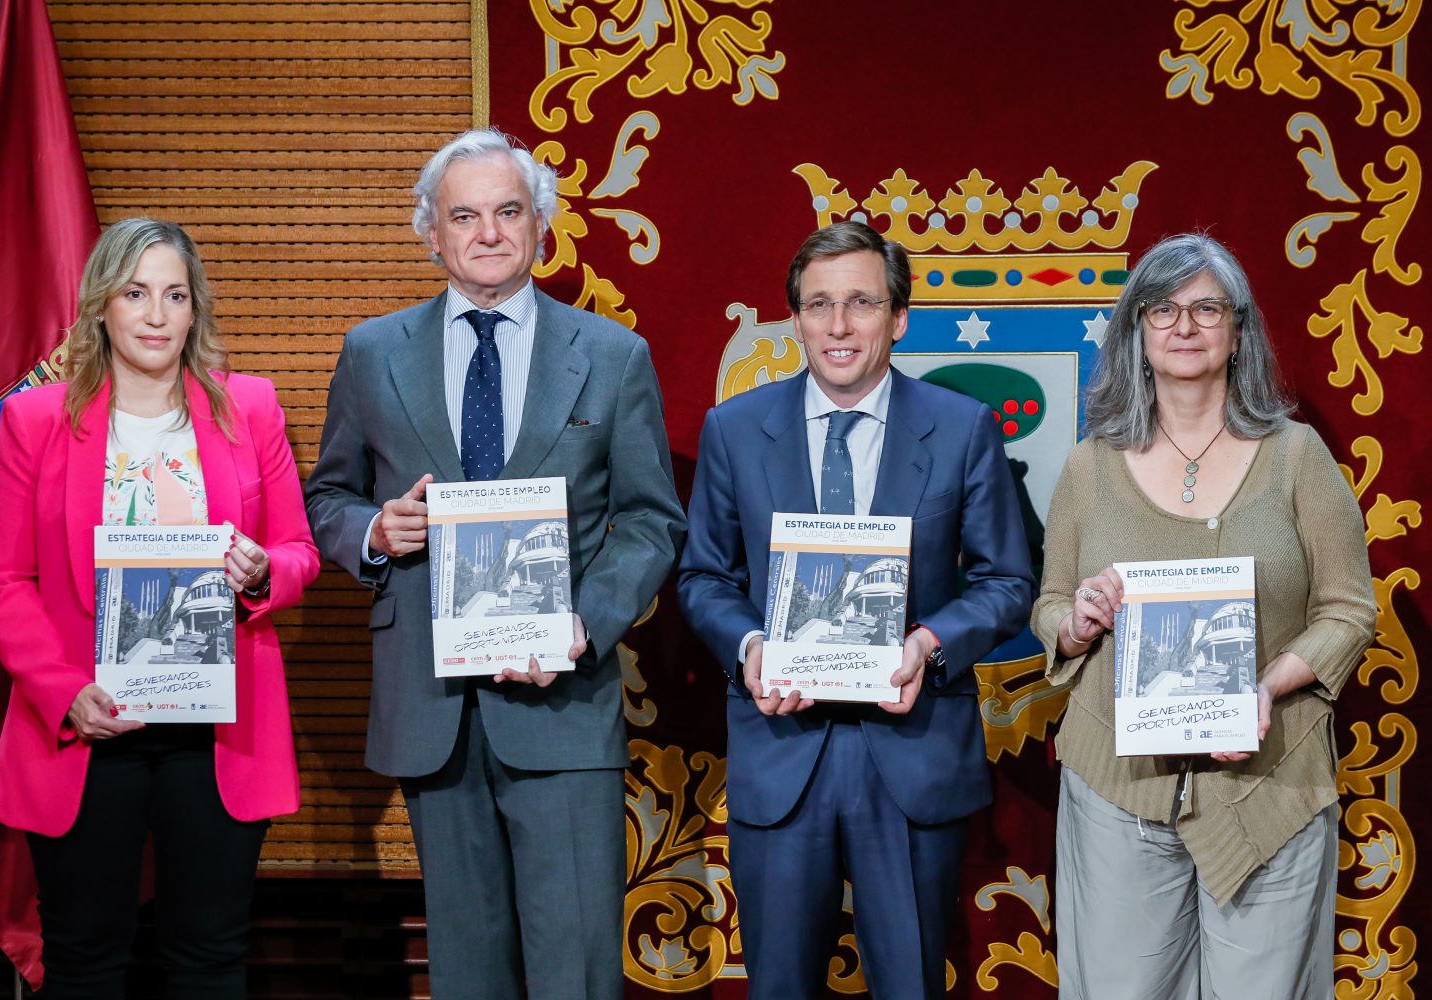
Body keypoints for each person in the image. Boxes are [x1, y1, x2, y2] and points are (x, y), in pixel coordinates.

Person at [303, 127, 685, 1000]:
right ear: (430, 232)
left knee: (576, 966)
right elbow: (326, 499)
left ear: (540, 228)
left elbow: (649, 521)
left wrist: (580, 626)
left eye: (508, 212)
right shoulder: (371, 352)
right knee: (469, 972)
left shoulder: (612, 354)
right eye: (463, 215)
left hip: (563, 696)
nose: (487, 232)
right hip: (430, 707)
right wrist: (375, 531)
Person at [677, 221, 1035, 999]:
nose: (839, 326)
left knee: (910, 983)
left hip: (911, 749)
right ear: (796, 319)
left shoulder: (963, 428)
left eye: (861, 304)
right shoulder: (735, 432)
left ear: (898, 318)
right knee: (779, 987)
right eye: (819, 305)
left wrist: (932, 641)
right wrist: (749, 648)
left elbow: (1009, 581)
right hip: (782, 746)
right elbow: (703, 576)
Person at [0, 218, 320, 999]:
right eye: (136, 293)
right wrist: (66, 694)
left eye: (174, 295)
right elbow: (1, 581)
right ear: (101, 306)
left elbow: (298, 549)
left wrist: (263, 572)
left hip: (216, 731)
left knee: (211, 959)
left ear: (195, 310)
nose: (156, 315)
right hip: (88, 728)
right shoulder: (35, 421)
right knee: (86, 963)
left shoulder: (251, 408)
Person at [1031, 232, 1376, 998]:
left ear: (1239, 330)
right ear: (1136, 332)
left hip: (1268, 783)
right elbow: (1050, 604)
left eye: (1206, 308)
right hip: (1120, 788)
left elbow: (1349, 611)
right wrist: (1078, 620)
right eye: (1163, 309)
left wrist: (1269, 688)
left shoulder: (1297, 456)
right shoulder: (1089, 465)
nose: (1184, 326)